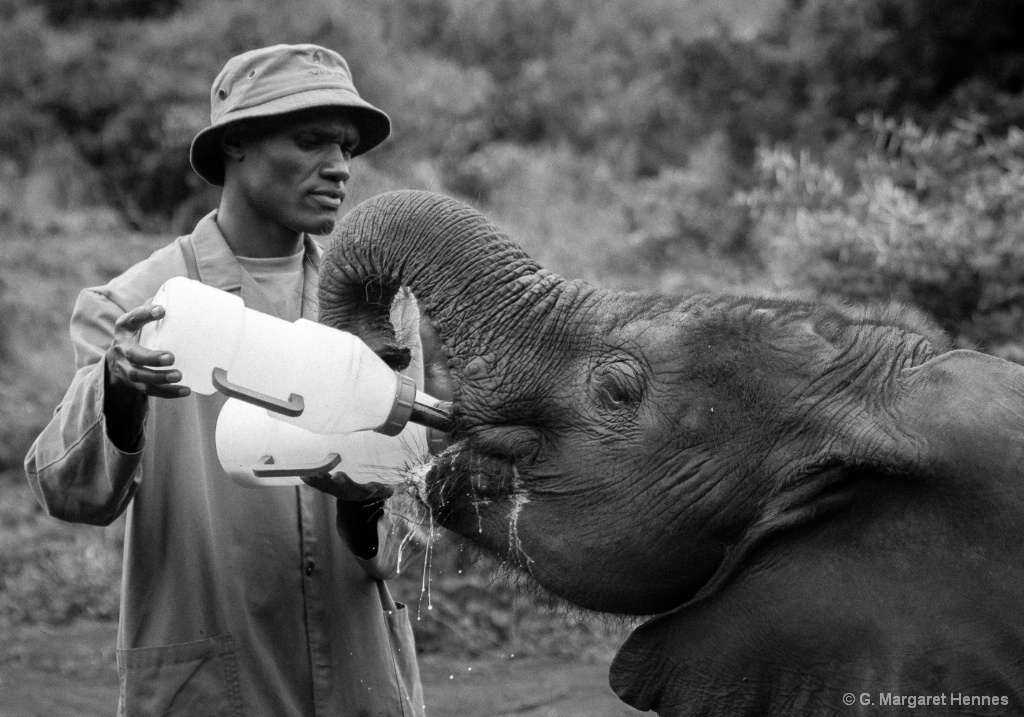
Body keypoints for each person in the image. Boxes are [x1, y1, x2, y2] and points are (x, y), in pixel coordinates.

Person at [24, 44, 426, 717]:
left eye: (347, 148)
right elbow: (73, 492)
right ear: (235, 144)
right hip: (211, 684)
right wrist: (118, 388)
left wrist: (367, 501)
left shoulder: (378, 309)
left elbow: (409, 529)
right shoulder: (135, 305)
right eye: (311, 141)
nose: (339, 168)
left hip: (361, 677)